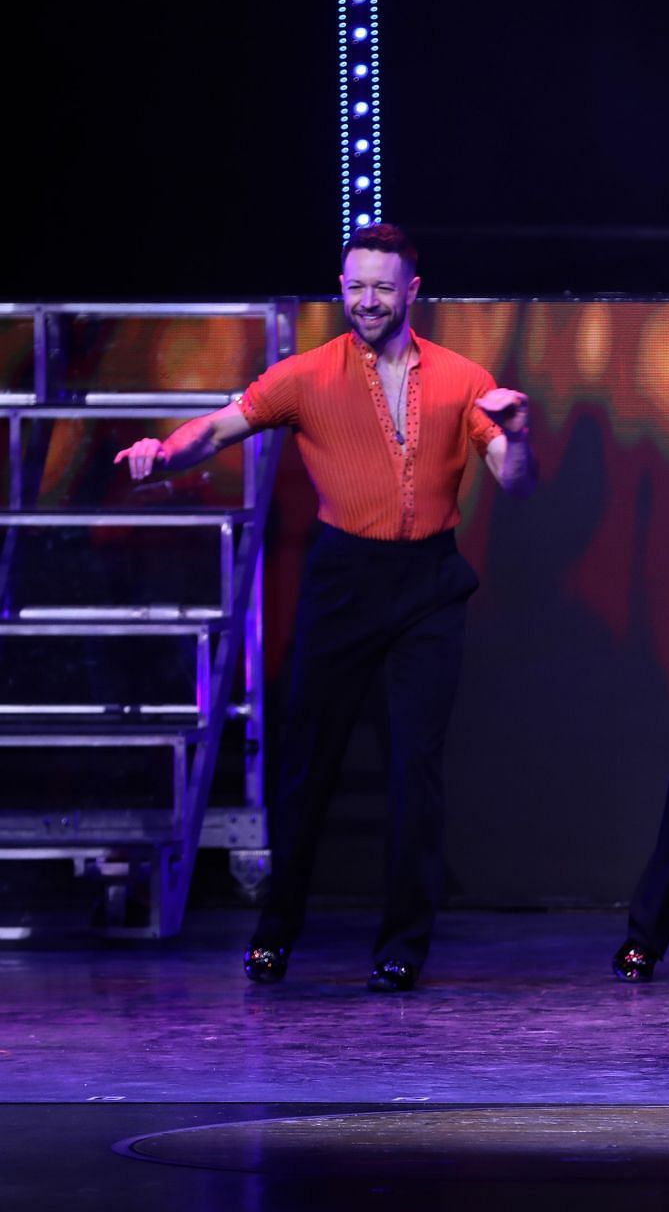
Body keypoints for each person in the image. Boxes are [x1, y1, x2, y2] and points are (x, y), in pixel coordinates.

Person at [114, 223, 535, 991]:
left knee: (417, 767)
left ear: (413, 289)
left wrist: (518, 433)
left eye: (382, 286)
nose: (367, 300)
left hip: (428, 586)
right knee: (309, 765)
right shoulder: (305, 375)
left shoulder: (464, 375)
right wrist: (163, 454)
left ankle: (403, 944)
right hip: (344, 582)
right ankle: (276, 931)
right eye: (355, 286)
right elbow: (219, 425)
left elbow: (516, 479)